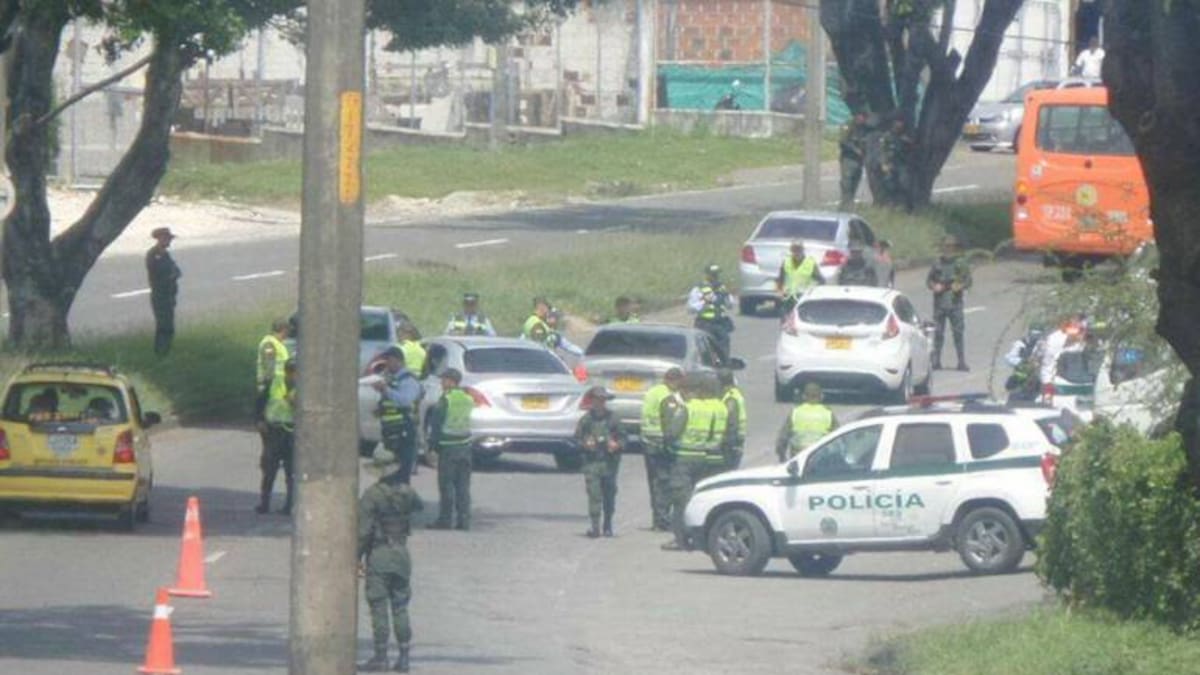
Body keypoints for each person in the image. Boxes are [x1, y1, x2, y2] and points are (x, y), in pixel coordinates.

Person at [357, 452, 424, 673]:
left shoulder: (372, 496)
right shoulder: (407, 492)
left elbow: (363, 532)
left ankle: (381, 656)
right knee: (400, 606)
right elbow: (418, 507)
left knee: (378, 606)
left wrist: (356, 558)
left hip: (380, 555)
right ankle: (404, 657)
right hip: (402, 554)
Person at [662, 378, 727, 551]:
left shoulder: (688, 408)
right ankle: (699, 537)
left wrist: (667, 442)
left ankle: (680, 539)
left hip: (683, 457)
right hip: (704, 457)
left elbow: (672, 432)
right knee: (699, 498)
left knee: (680, 500)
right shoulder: (715, 408)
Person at [427, 368, 475, 531]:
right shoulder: (468, 398)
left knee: (446, 485)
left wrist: (432, 447)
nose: (441, 382)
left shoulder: (445, 399)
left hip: (448, 447)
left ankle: (445, 520)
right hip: (465, 446)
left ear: (451, 381)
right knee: (463, 486)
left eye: (444, 379)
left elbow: (437, 425)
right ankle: (464, 520)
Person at [640, 368, 684, 532]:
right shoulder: (668, 397)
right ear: (675, 380)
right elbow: (671, 422)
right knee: (663, 482)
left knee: (655, 482)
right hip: (661, 444)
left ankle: (657, 518)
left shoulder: (652, 392)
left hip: (648, 442)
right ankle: (662, 520)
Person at [575, 386, 623, 538]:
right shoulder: (586, 420)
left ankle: (607, 525)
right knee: (594, 494)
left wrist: (616, 445)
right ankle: (595, 526)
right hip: (592, 463)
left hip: (609, 463)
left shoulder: (614, 419)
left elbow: (624, 438)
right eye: (597, 400)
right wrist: (585, 443)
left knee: (609, 494)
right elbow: (577, 439)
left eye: (602, 400)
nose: (600, 403)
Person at [372, 346, 423, 484]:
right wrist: (381, 410)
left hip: (404, 432)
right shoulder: (391, 379)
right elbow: (392, 404)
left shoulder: (408, 380)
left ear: (398, 361)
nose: (386, 364)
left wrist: (385, 390)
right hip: (391, 433)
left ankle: (401, 502)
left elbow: (405, 401)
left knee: (400, 474)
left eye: (389, 360)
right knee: (388, 472)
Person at [926, 235, 973, 371]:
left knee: (958, 333)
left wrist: (960, 285)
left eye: (951, 247)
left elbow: (968, 280)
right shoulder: (937, 263)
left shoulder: (961, 263)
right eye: (946, 247)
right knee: (938, 333)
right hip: (940, 303)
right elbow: (929, 280)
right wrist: (934, 286)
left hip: (955, 303)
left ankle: (961, 361)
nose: (948, 249)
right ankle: (936, 361)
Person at [258, 358, 297, 515]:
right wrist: (259, 420)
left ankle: (289, 506)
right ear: (288, 372)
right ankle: (264, 503)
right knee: (269, 469)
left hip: (292, 432)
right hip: (274, 430)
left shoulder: (305, 386)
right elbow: (261, 401)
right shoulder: (275, 382)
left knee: (291, 471)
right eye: (294, 372)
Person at [776, 382, 838, 462]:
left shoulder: (796, 412)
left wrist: (782, 457)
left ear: (804, 396)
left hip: (798, 456)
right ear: (821, 397)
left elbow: (783, 439)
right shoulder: (828, 413)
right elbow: (838, 438)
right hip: (821, 457)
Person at [145, 227, 181, 356]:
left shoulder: (165, 254)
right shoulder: (153, 254)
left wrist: (173, 274)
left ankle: (165, 352)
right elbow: (158, 273)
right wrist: (171, 275)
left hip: (169, 295)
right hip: (160, 295)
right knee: (163, 326)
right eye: (167, 238)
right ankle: (160, 353)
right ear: (160, 238)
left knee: (169, 326)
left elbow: (177, 271)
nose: (169, 241)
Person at [687, 264, 735, 358]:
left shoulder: (722, 288)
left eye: (717, 274)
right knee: (704, 350)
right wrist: (705, 301)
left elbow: (730, 305)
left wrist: (726, 297)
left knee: (724, 347)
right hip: (704, 324)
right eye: (713, 274)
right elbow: (691, 308)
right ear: (707, 275)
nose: (715, 277)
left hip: (719, 324)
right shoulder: (699, 288)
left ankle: (724, 367)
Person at [255, 318, 291, 434]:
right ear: (283, 330)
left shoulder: (278, 344)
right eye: (287, 331)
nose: (287, 335)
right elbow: (269, 372)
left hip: (278, 393)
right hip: (270, 392)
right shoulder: (269, 344)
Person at [1038, 317, 1086, 401]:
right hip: (1061, 384)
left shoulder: (1080, 343)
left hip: (1083, 382)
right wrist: (1048, 390)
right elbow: (1047, 367)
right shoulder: (1053, 341)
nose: (1080, 336)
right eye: (1077, 333)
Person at [1004, 323, 1047, 402]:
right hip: (1019, 381)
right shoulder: (1020, 344)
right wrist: (1023, 361)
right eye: (1034, 334)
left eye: (1038, 335)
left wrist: (1039, 362)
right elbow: (1009, 358)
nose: (1035, 337)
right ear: (1029, 333)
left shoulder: (1043, 345)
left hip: (1034, 381)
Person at [776, 241, 822, 314]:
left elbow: (820, 281)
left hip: (804, 297)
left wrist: (814, 293)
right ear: (791, 250)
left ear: (803, 250)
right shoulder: (786, 262)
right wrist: (779, 291)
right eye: (794, 250)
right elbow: (780, 278)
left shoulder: (810, 262)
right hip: (788, 298)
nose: (796, 252)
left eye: (799, 250)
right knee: (786, 321)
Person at [881, 117, 914, 209]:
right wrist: (884, 163)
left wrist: (908, 142)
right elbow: (883, 150)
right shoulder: (887, 136)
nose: (899, 124)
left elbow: (912, 149)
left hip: (902, 164)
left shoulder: (906, 136)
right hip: (891, 163)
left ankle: (907, 206)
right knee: (890, 185)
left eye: (901, 122)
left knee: (905, 185)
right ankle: (891, 204)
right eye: (897, 122)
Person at [838, 113, 868, 211]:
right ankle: (844, 207)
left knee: (855, 183)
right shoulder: (848, 126)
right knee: (847, 184)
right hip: (848, 158)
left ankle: (850, 206)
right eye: (861, 116)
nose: (862, 119)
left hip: (859, 161)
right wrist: (855, 150)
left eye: (864, 117)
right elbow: (843, 141)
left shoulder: (864, 128)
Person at [718, 369, 746, 470]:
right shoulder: (735, 394)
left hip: (732, 444)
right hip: (737, 442)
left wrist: (726, 443)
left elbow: (731, 423)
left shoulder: (730, 398)